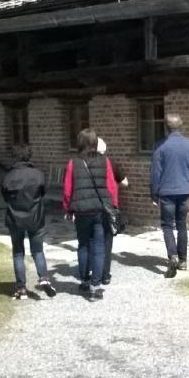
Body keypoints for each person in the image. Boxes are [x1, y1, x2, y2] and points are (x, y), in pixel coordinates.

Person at [61, 128, 118, 301]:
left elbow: (67, 190)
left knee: (83, 244)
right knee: (99, 247)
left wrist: (67, 209)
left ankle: (85, 280)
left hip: (81, 210)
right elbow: (111, 186)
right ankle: (96, 286)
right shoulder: (105, 161)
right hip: (100, 210)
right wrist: (114, 206)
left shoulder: (73, 163)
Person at [0, 145, 57, 299]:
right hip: (35, 217)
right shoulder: (38, 174)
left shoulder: (9, 176)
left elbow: (5, 196)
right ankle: (44, 278)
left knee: (18, 253)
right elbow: (43, 192)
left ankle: (21, 288)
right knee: (37, 250)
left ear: (14, 157)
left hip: (15, 218)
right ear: (29, 156)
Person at [150, 114, 189, 278]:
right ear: (181, 126)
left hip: (166, 192)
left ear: (166, 127)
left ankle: (172, 256)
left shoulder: (160, 146)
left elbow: (155, 173)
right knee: (181, 225)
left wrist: (154, 194)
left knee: (167, 225)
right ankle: (183, 260)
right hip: (184, 191)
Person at [82, 137, 127, 286]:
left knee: (90, 240)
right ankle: (104, 274)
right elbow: (125, 182)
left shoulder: (82, 163)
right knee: (106, 241)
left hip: (89, 205)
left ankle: (89, 272)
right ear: (104, 149)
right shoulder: (110, 163)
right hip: (108, 206)